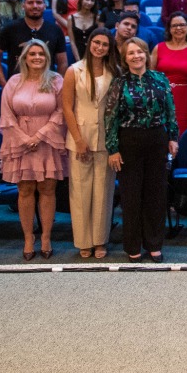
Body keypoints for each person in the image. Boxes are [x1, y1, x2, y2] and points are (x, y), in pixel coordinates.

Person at [108, 36, 178, 262]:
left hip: (157, 139)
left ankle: (154, 244)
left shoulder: (160, 79)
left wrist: (173, 137)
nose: (136, 56)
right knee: (131, 196)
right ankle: (133, 246)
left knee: (156, 194)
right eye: (131, 53)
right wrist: (112, 149)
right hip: (129, 141)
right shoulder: (118, 83)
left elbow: (170, 110)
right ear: (124, 57)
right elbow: (110, 118)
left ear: (146, 54)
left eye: (140, 51)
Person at [0, 39, 67, 260]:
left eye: (41, 54)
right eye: (32, 54)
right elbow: (7, 114)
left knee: (47, 190)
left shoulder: (56, 80)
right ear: (24, 58)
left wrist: (39, 135)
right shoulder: (14, 82)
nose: (37, 57)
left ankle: (46, 237)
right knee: (25, 190)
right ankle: (29, 238)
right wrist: (23, 138)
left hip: (48, 140)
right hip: (19, 141)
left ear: (47, 58)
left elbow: (61, 112)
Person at [61, 28, 117, 259]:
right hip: (80, 138)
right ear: (89, 43)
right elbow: (66, 107)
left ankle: (100, 240)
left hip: (105, 139)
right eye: (96, 42)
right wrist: (78, 139)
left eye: (104, 44)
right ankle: (84, 241)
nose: (100, 47)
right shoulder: (74, 70)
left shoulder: (114, 71)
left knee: (103, 193)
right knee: (81, 192)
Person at [153, 13, 187, 131]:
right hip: (162, 98)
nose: (178, 28)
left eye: (182, 25)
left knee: (182, 134)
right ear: (169, 29)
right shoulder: (158, 48)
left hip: (186, 100)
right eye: (174, 25)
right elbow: (150, 78)